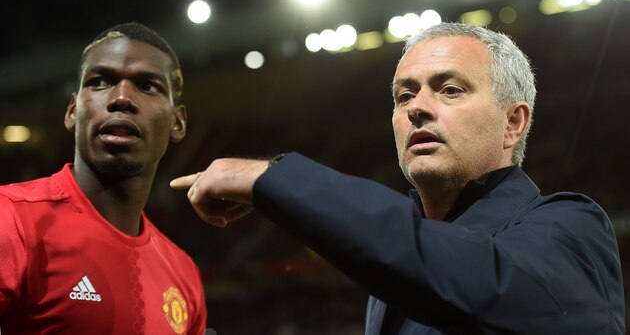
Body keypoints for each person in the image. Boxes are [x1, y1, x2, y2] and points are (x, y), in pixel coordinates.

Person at [171, 22, 624, 334]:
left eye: (449, 89)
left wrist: (273, 179)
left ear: (514, 123)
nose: (416, 107)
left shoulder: (574, 228)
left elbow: (478, 280)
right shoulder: (399, 263)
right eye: (403, 94)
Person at [0, 22, 207, 334]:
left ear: (177, 122)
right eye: (100, 82)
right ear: (72, 111)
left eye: (148, 86)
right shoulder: (11, 219)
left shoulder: (184, 276)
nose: (121, 98)